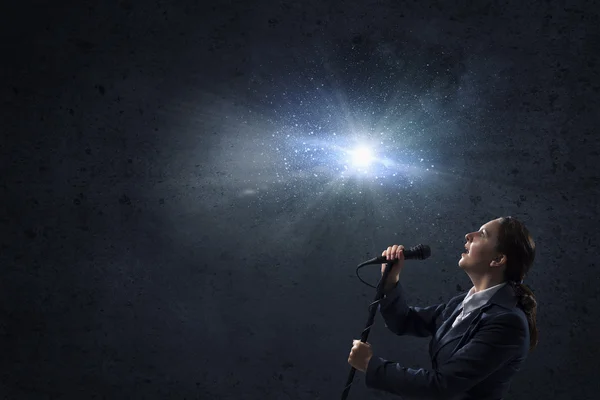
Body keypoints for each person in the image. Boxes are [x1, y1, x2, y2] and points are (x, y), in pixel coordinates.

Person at [348, 216, 538, 399]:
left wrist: (370, 364)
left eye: (483, 233)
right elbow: (404, 321)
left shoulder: (507, 322)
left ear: (498, 259)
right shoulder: (462, 303)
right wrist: (390, 282)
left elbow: (440, 386)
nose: (469, 235)